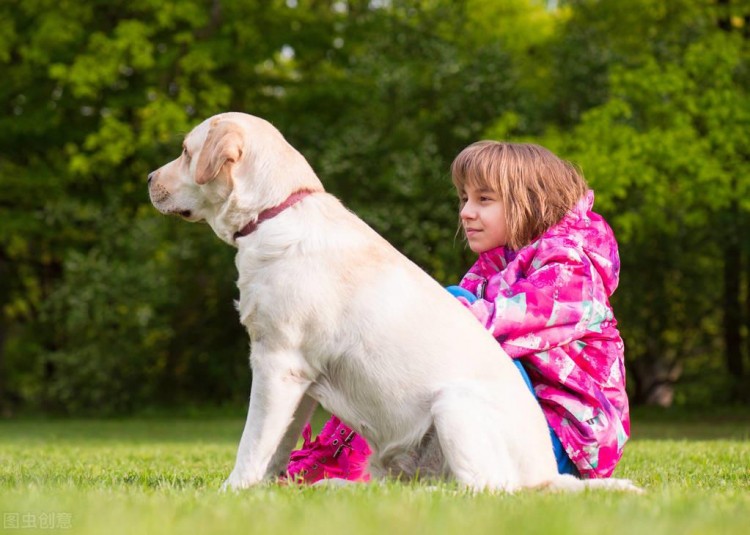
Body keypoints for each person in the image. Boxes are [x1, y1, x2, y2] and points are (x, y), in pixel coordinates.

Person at [285, 140, 630, 483]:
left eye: (484, 199)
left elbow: (488, 329)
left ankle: (349, 456)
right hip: (508, 428)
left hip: (566, 442)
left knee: (439, 316)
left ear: (530, 202)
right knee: (413, 336)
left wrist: (402, 311)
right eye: (464, 198)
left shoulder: (572, 267)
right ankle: (348, 450)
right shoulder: (492, 266)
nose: (466, 212)